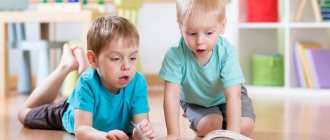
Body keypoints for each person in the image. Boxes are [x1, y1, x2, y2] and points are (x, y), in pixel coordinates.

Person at [18, 15, 156, 140]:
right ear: (93, 59)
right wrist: (104, 136)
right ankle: (66, 66)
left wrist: (141, 132)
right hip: (68, 111)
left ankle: (83, 66)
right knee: (23, 115)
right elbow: (81, 130)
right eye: (116, 58)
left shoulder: (138, 82)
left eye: (132, 58)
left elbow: (140, 125)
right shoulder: (87, 83)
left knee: (90, 78)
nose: (127, 66)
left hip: (90, 91)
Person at [158, 0, 255, 139]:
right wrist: (173, 133)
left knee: (244, 127)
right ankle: (200, 120)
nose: (200, 41)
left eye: (209, 33)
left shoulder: (226, 52)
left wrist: (232, 134)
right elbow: (171, 96)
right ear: (181, 27)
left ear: (222, 26)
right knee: (211, 126)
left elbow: (233, 96)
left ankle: (217, 124)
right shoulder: (175, 54)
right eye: (192, 33)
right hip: (197, 101)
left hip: (228, 98)